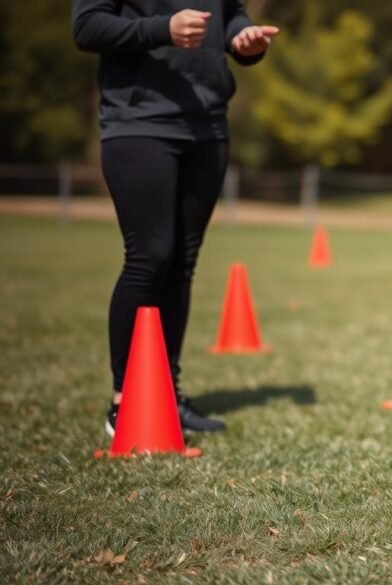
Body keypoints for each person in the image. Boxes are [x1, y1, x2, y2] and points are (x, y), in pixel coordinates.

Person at [72, 1, 278, 435]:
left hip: (208, 127)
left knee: (182, 264)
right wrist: (162, 28)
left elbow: (230, 15)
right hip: (139, 123)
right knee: (150, 255)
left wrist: (243, 38)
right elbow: (87, 27)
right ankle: (124, 400)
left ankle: (166, 393)